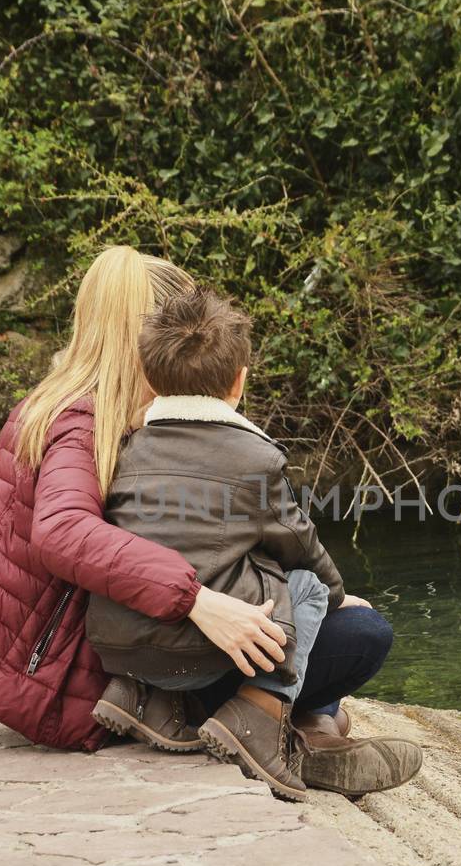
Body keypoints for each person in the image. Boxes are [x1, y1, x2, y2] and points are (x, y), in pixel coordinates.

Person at [0, 246, 420, 797]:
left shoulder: (62, 406)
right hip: (75, 684)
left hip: (87, 661)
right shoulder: (83, 421)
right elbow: (62, 532)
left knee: (296, 607)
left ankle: (309, 731)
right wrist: (200, 602)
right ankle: (291, 730)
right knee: (359, 633)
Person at [86, 287, 421, 801]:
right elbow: (302, 546)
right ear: (240, 380)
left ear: (150, 379)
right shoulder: (254, 458)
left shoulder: (125, 447)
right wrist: (336, 597)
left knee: (249, 565)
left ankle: (159, 701)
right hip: (205, 657)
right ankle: (263, 715)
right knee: (352, 620)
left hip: (123, 652)